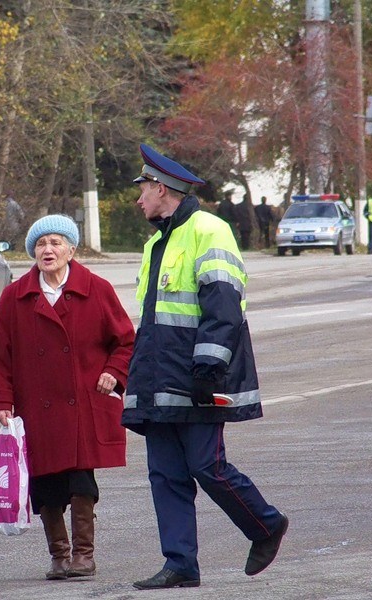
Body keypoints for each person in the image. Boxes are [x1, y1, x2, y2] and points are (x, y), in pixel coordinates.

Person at [124, 144, 288, 590]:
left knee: (207, 466)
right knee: (166, 474)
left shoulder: (208, 230)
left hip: (199, 377)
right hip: (161, 380)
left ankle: (266, 525)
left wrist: (208, 370)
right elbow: (154, 323)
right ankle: (180, 564)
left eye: (142, 189)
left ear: (161, 188)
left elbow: (223, 307)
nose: (138, 199)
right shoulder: (156, 242)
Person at [0, 214, 135, 581]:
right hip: (36, 405)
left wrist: (113, 373)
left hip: (83, 401)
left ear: (71, 249)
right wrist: (2, 401)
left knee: (81, 479)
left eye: (55, 242)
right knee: (45, 480)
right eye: (40, 244)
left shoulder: (96, 288)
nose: (47, 250)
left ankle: (84, 555)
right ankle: (59, 555)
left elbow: (126, 340)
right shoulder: (15, 296)